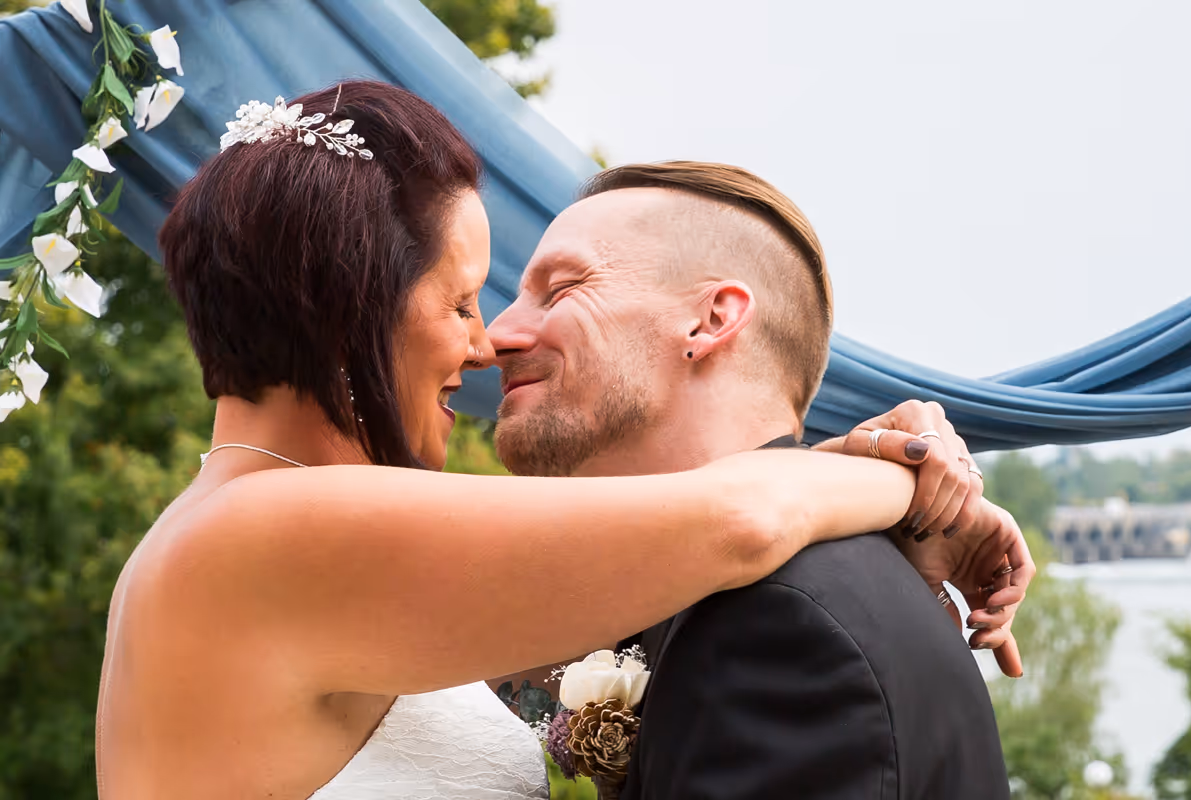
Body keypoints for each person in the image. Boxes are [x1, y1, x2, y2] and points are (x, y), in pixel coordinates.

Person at [95, 81, 1022, 800]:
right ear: (352, 306)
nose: (483, 340)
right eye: (461, 301)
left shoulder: (256, 535)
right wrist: (913, 486)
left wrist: (853, 486)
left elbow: (658, 564)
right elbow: (736, 523)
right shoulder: (266, 532)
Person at [486, 161, 1028, 798]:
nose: (497, 334)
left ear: (713, 320)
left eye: (562, 290)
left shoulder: (775, 619)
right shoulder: (689, 593)